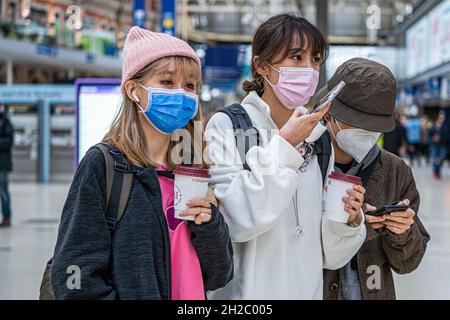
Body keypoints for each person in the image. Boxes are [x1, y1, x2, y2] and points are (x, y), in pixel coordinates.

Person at [50, 27, 233, 299]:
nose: (182, 94)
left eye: (190, 85)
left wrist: (209, 225)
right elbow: (74, 274)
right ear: (134, 90)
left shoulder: (193, 168)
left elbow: (219, 275)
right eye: (168, 83)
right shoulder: (104, 165)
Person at [205, 14, 366, 300]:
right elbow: (236, 222)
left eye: (315, 60)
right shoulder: (227, 125)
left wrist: (348, 220)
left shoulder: (319, 138)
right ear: (261, 65)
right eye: (296, 57)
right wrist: (285, 145)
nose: (309, 69)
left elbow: (330, 256)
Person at [319, 58, 430, 300]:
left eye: (373, 126)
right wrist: (358, 228)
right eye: (357, 122)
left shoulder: (395, 171)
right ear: (329, 114)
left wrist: (402, 232)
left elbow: (407, 264)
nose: (366, 133)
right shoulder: (301, 162)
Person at [0, 108, 13, 228]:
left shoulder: (6, 122)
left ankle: (6, 218)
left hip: (2, 164)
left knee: (3, 192)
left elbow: (9, 141)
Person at [429, 112, 447, 180]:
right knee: (435, 159)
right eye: (440, 117)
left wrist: (441, 138)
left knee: (441, 159)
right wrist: (433, 138)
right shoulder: (432, 126)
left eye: (443, 117)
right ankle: (435, 172)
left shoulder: (445, 126)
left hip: (442, 145)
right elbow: (428, 137)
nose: (442, 119)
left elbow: (446, 136)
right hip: (434, 145)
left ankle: (438, 171)